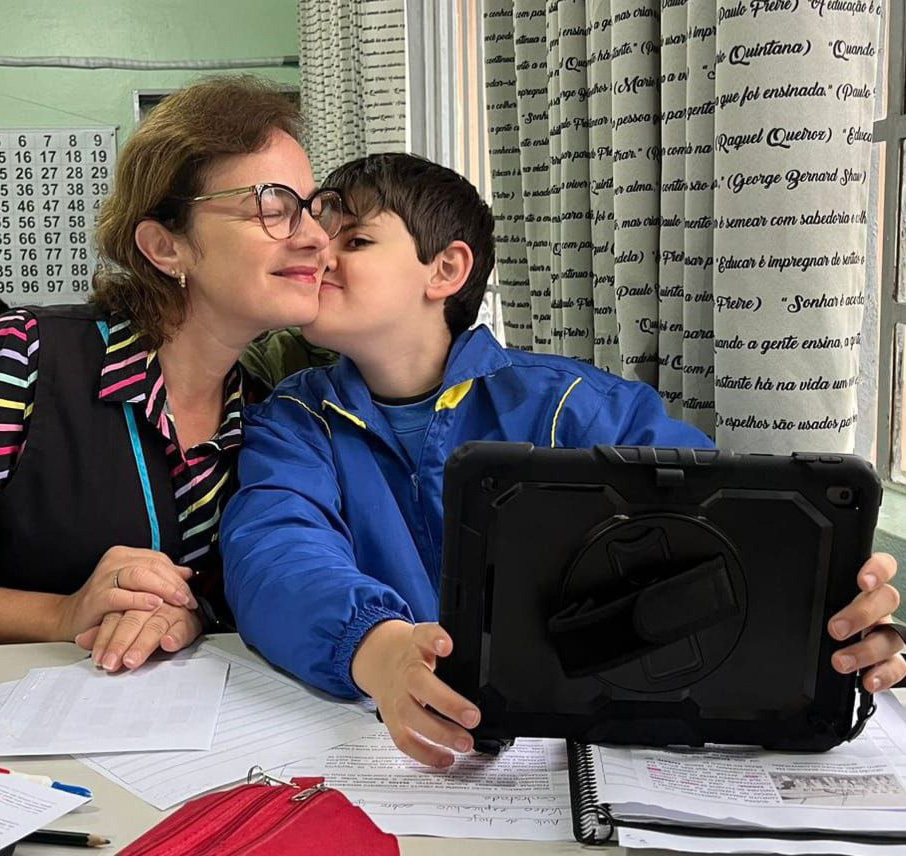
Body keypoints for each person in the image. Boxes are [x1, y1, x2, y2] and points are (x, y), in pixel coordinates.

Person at [220, 153, 905, 768]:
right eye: (315, 235)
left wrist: (826, 603)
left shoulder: (574, 407)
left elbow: (716, 532)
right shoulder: (295, 418)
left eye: (357, 240)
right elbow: (273, 550)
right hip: (387, 753)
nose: (318, 253)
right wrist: (376, 646)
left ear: (446, 270)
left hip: (576, 754)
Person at [0, 76, 339, 672]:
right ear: (165, 247)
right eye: (272, 207)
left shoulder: (267, 417)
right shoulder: (25, 359)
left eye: (314, 209)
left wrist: (191, 615)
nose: (315, 238)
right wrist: (59, 614)